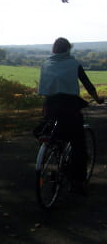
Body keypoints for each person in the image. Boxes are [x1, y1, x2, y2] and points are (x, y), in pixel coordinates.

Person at [38, 37, 103, 194]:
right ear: (68, 49)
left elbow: (44, 88)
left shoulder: (46, 64)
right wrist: (97, 100)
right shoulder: (74, 64)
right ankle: (78, 182)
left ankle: (53, 157)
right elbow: (87, 85)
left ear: (54, 49)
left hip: (51, 107)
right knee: (78, 146)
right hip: (69, 108)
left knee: (52, 135)